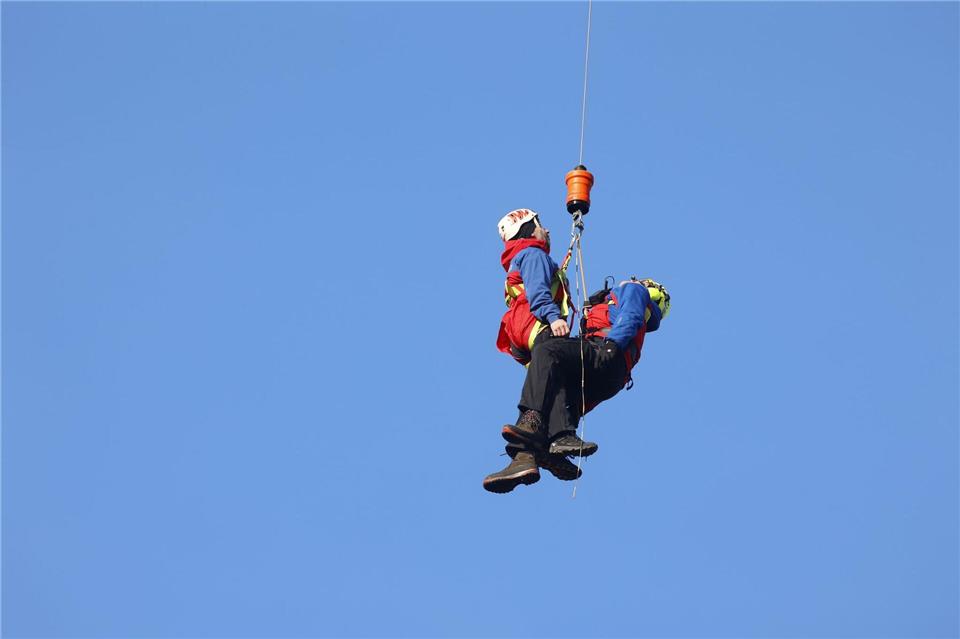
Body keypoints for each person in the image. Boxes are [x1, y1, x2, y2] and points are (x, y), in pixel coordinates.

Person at [483, 234, 671, 493]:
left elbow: (629, 318)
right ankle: (536, 454)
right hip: (611, 375)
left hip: (604, 352)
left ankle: (534, 421)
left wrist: (611, 344)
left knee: (548, 351)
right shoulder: (623, 315)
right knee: (555, 379)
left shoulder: (632, 290)